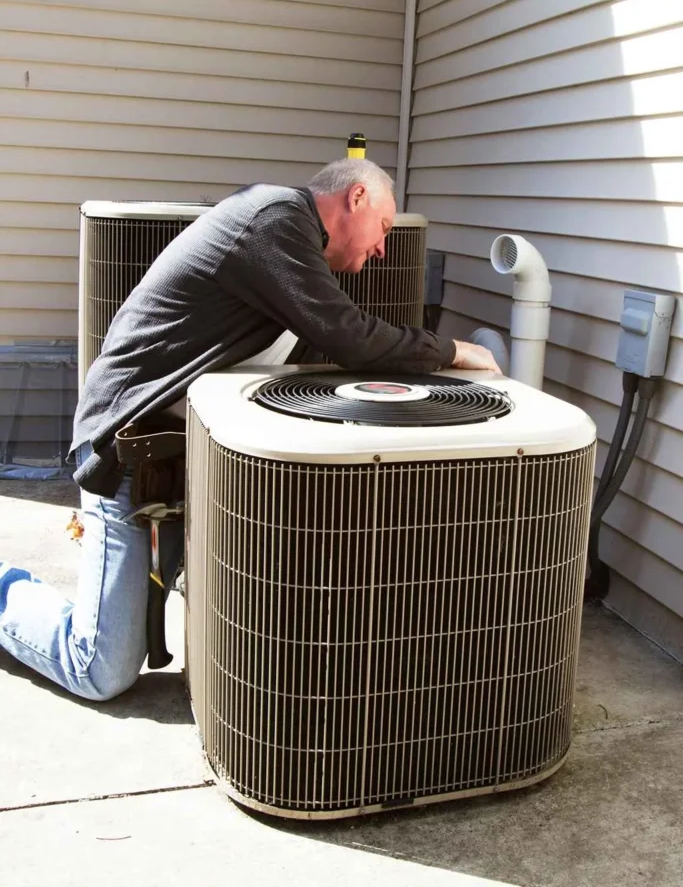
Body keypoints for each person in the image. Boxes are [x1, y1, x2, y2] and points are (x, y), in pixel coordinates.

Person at [0, 159, 501, 702]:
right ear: (356, 198)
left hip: (175, 459)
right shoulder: (275, 221)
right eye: (383, 228)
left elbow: (322, 366)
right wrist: (453, 350)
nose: (383, 249)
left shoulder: (291, 245)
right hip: (128, 445)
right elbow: (350, 337)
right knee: (98, 669)